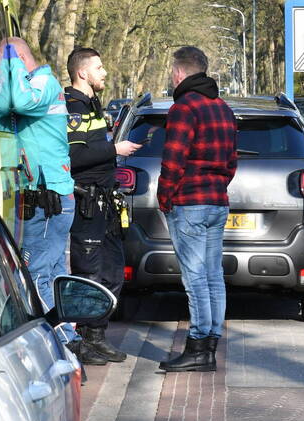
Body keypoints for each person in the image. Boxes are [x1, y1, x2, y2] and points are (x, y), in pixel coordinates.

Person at [0, 37, 85, 351]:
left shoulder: (44, 82)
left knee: (36, 275)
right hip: (40, 196)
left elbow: (18, 102)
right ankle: (69, 340)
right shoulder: (22, 84)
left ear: (15, 58)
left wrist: (8, 60)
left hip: (49, 198)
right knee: (55, 274)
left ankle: (62, 343)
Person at [156, 46, 237, 373]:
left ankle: (198, 343)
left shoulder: (183, 109)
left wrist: (165, 197)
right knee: (213, 275)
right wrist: (217, 183)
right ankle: (211, 343)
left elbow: (173, 159)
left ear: (179, 73)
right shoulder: (223, 108)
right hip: (217, 201)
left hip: (189, 202)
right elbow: (232, 162)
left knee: (194, 278)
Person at [64, 47, 142, 364]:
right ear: (82, 72)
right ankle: (85, 338)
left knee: (112, 274)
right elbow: (73, 157)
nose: (104, 72)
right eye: (99, 67)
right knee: (89, 274)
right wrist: (115, 149)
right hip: (88, 202)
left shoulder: (92, 105)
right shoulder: (72, 108)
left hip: (107, 201)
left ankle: (97, 334)